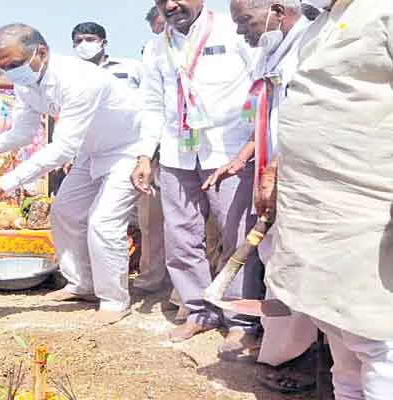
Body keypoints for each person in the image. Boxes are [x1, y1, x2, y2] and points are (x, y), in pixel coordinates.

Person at [0, 23, 141, 325]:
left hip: (126, 150)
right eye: (2, 66)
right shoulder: (26, 82)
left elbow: (61, 149)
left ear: (41, 52)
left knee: (103, 222)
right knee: (65, 213)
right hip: (91, 151)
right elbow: (21, 134)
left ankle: (113, 299)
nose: (10, 72)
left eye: (15, 64)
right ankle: (82, 284)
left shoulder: (80, 79)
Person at [263, 0, 393, 398]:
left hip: (368, 212)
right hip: (318, 212)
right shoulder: (319, 26)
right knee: (342, 339)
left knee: (379, 342)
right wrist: (278, 168)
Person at [132, 0, 263, 357]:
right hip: (177, 152)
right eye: (162, 0)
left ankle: (240, 321)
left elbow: (260, 86)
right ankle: (199, 310)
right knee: (181, 236)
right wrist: (145, 153)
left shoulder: (233, 30)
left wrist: (252, 147)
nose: (171, 4)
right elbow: (152, 103)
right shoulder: (157, 46)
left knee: (237, 236)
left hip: (229, 150)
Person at [204, 0, 317, 392]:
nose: (240, 32)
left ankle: (301, 359)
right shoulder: (273, 50)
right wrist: (242, 159)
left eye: (244, 21)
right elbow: (268, 120)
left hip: (303, 179)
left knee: (296, 270)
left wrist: (281, 169)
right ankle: (285, 350)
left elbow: (312, 122)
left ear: (276, 9)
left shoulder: (311, 45)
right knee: (278, 266)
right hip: (274, 178)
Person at [71, 21, 168, 296]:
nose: (84, 44)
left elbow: (152, 105)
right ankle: (88, 280)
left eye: (89, 38)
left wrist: (149, 151)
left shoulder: (131, 68)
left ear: (103, 41)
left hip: (138, 151)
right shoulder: (75, 75)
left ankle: (150, 278)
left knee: (149, 221)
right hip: (93, 154)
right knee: (90, 216)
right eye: (78, 40)